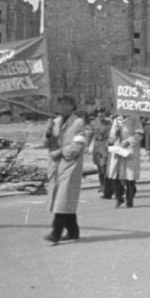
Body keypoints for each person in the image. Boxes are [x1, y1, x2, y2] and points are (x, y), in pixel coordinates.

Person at [45, 95, 91, 244]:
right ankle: (73, 231)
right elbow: (47, 143)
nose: (63, 107)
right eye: (60, 104)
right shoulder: (55, 122)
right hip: (56, 166)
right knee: (64, 200)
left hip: (70, 165)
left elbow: (78, 146)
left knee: (62, 199)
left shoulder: (79, 123)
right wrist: (48, 133)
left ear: (72, 106)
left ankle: (55, 233)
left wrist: (59, 151)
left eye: (66, 104)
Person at [107, 114, 144, 208]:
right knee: (113, 175)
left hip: (130, 149)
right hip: (118, 149)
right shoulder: (116, 120)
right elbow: (112, 135)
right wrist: (112, 137)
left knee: (130, 177)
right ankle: (119, 197)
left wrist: (128, 141)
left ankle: (129, 200)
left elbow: (140, 134)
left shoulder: (135, 118)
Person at [88, 110, 113, 198]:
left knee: (104, 167)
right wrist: (87, 145)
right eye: (98, 113)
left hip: (105, 145)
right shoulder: (93, 123)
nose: (100, 114)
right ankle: (102, 185)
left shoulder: (108, 123)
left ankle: (108, 187)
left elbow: (112, 135)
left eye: (102, 113)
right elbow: (90, 135)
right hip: (97, 146)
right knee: (99, 167)